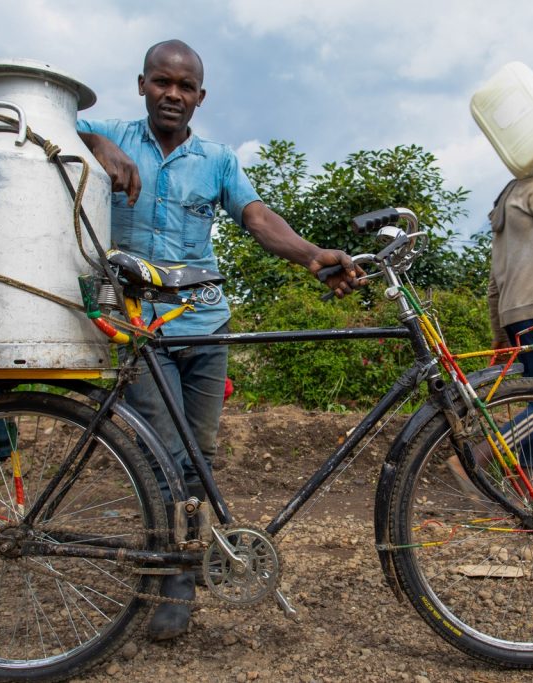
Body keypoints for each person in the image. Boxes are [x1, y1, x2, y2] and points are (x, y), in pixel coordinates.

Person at [77, 39, 360, 641]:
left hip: (206, 325)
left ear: (200, 96)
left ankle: (181, 564)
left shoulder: (218, 160)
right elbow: (47, 125)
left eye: (184, 86)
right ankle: (173, 579)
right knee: (164, 456)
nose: (172, 94)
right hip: (139, 326)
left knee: (198, 458)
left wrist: (314, 257)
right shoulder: (108, 133)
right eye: (161, 82)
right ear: (142, 84)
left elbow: (256, 217)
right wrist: (94, 145)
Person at [448, 154, 533, 493]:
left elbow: (494, 283)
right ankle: (474, 459)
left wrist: (500, 334)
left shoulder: (508, 198)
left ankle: (524, 492)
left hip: (516, 314)